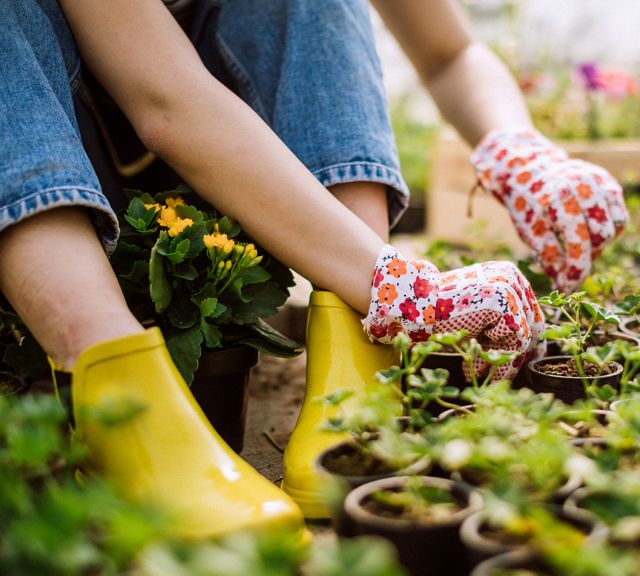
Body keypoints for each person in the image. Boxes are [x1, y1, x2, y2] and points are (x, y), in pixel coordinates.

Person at [0, 0, 627, 528]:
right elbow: (164, 103)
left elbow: (449, 53)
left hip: (248, 179)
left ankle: (351, 342)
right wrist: (410, 290)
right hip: (53, 176)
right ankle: (112, 391)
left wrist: (519, 150)